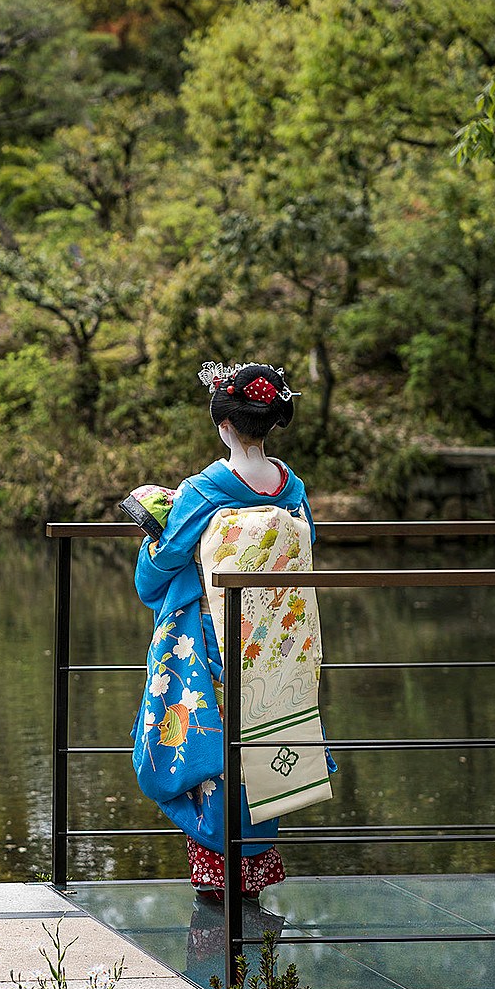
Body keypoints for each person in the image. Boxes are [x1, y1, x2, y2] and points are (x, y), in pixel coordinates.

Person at [129, 360, 327, 899]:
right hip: (273, 645)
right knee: (260, 743)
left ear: (223, 426)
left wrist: (154, 534)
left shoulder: (205, 489)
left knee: (215, 756)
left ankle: (215, 884)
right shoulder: (293, 490)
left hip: (214, 643)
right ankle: (253, 877)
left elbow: (158, 570)